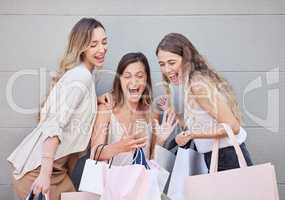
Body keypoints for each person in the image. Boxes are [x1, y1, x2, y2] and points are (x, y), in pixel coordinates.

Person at [7, 17, 108, 200]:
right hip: (40, 172)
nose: (101, 49)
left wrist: (96, 100)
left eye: (104, 42)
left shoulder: (82, 76)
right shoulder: (81, 77)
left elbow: (69, 110)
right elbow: (53, 125)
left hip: (57, 172)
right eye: (93, 44)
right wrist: (44, 176)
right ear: (81, 47)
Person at [155, 33, 253, 171]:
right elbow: (204, 122)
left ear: (186, 59)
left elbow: (233, 126)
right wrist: (174, 114)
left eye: (172, 63)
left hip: (227, 158)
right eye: (162, 64)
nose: (166, 69)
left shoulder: (197, 85)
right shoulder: (192, 83)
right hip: (220, 157)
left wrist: (192, 134)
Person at [91, 52, 177, 165]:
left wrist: (160, 141)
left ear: (146, 78)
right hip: (110, 181)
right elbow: (95, 154)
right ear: (119, 79)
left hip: (141, 182)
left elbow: (151, 162)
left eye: (140, 76)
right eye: (127, 76)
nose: (134, 82)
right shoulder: (106, 109)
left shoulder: (152, 113)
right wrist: (121, 147)